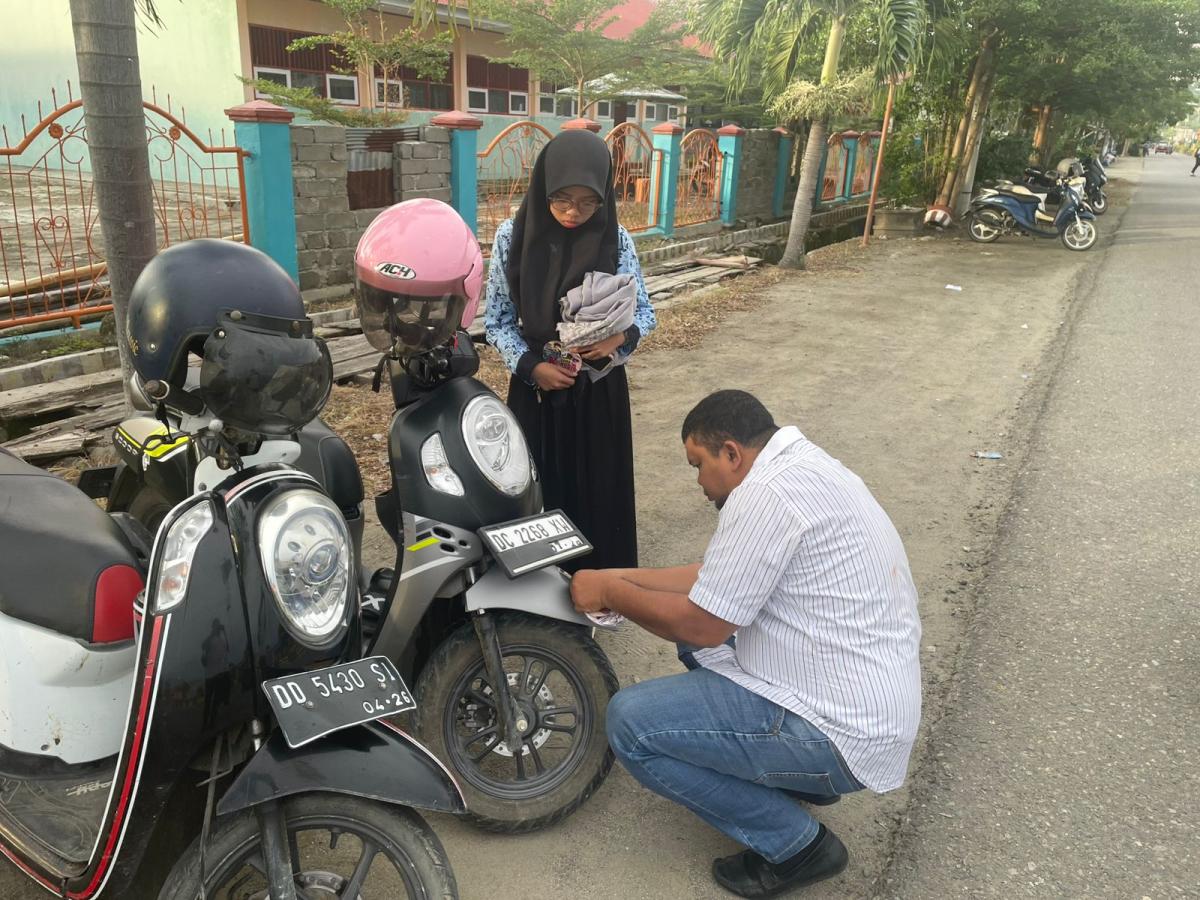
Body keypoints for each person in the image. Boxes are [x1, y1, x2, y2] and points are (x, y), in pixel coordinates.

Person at [569, 390, 923, 898]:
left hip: (840, 728)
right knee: (697, 653)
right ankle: (798, 782)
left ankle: (796, 846)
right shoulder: (800, 465)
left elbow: (702, 623)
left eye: (698, 464)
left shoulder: (766, 496)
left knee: (631, 723)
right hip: (866, 705)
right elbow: (712, 579)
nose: (698, 483)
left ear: (731, 453)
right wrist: (618, 576)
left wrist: (610, 593)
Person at [485, 129, 656, 570]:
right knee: (536, 491)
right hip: (537, 392)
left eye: (587, 201)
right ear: (543, 187)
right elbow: (497, 322)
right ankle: (539, 597)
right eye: (561, 199)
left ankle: (599, 590)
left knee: (599, 492)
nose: (572, 212)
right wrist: (531, 367)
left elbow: (646, 314)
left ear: (604, 196)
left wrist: (617, 342)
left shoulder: (616, 240)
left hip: (598, 391)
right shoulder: (511, 238)